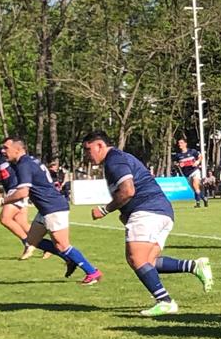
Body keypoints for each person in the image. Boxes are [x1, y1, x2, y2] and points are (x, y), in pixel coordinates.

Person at [82, 132, 213, 312]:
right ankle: (194, 265)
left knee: (136, 258)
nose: (86, 155)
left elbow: (128, 191)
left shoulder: (114, 160)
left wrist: (104, 210)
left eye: (88, 150)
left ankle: (165, 302)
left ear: (99, 146)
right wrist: (125, 213)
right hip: (162, 211)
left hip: (147, 210)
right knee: (149, 261)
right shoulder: (117, 159)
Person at [3, 136, 102, 282]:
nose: (3, 150)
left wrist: (1, 200)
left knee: (63, 245)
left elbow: (23, 192)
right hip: (45, 208)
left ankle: (92, 272)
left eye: (6, 148)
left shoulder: (24, 164)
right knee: (31, 241)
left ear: (18, 149)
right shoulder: (28, 161)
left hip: (53, 207)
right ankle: (70, 259)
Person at [0, 133, 47, 260]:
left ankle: (28, 244)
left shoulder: (5, 153)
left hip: (18, 189)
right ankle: (49, 247)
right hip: (10, 190)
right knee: (24, 224)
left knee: (5, 219)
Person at [172, 138, 208, 208]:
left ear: (185, 144)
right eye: (179, 143)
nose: (180, 144)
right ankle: (204, 198)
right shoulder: (178, 155)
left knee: (195, 186)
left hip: (195, 171)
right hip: (187, 174)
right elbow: (175, 162)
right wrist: (178, 164)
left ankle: (198, 204)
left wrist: (197, 162)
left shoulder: (192, 151)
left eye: (181, 143)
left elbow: (200, 157)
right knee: (195, 189)